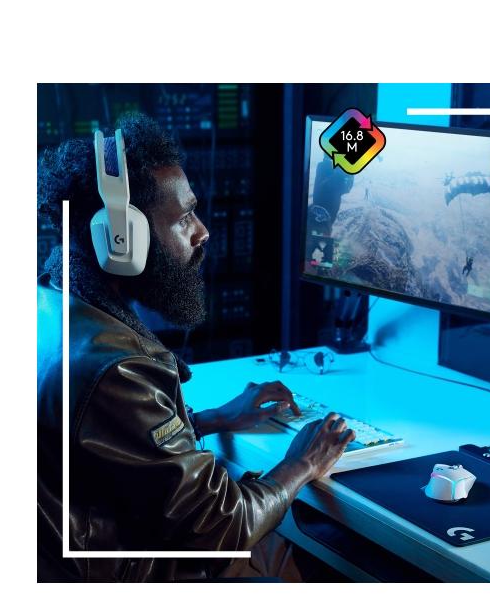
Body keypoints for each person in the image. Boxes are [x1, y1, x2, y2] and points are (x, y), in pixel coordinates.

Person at [37, 114, 354, 582]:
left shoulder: (50, 302)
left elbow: (107, 447)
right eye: (184, 217)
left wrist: (208, 420)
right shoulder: (117, 370)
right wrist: (303, 462)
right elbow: (222, 528)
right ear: (122, 240)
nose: (202, 231)